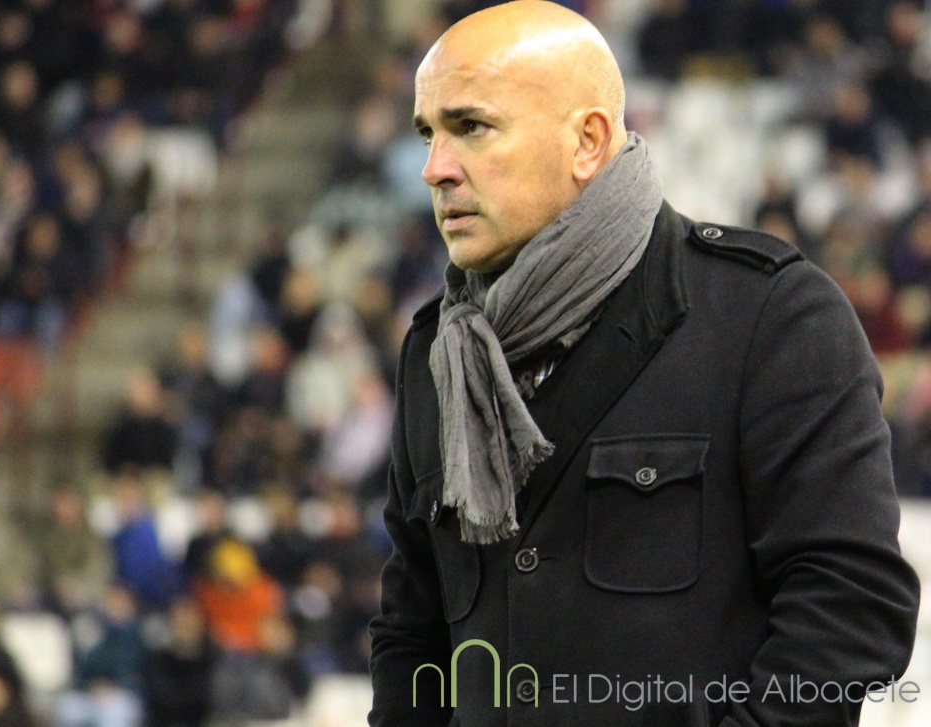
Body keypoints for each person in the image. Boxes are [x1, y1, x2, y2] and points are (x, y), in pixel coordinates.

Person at [367, 3, 922, 727]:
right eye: (427, 133)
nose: (434, 169)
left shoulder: (768, 315)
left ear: (588, 141)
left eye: (471, 127)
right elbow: (412, 633)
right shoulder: (437, 352)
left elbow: (851, 608)